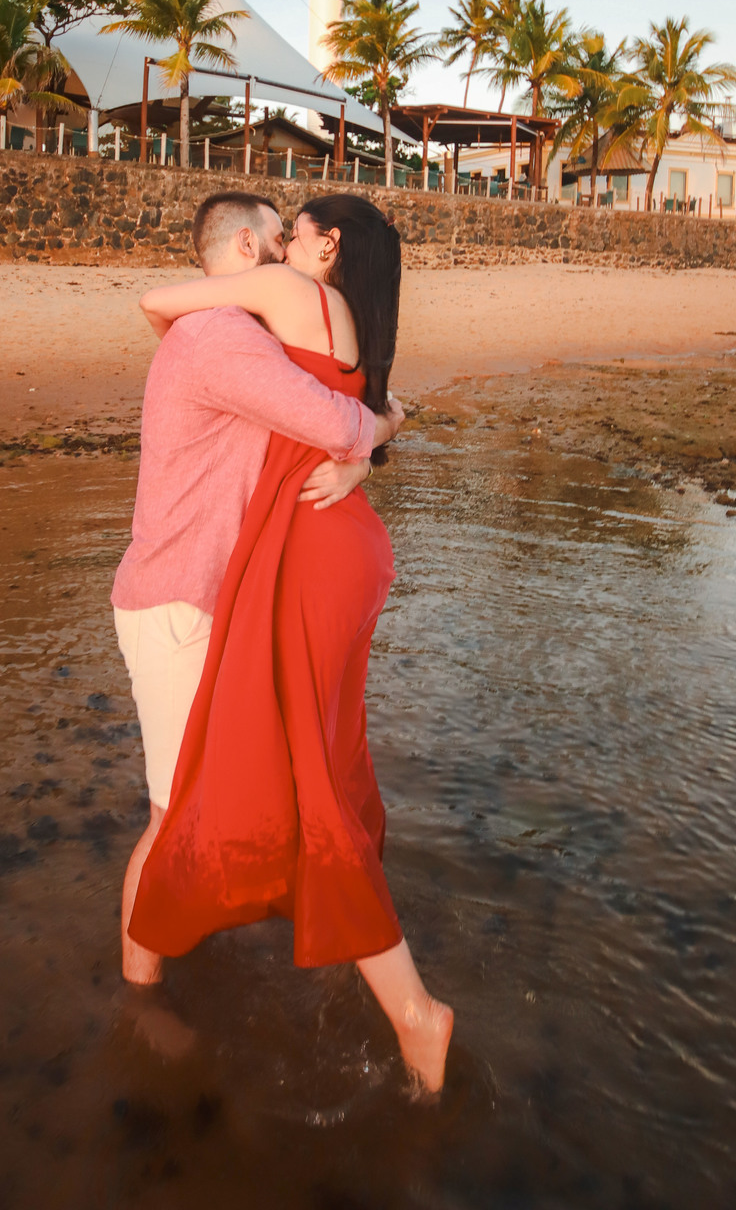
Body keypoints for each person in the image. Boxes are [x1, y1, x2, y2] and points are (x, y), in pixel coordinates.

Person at [129, 195, 455, 1095]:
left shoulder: (270, 298)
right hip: (333, 541)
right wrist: (374, 440)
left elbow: (156, 303)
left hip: (303, 552)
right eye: (273, 238)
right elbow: (359, 413)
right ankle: (303, 921)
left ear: (322, 244)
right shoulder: (334, 320)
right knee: (309, 761)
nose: (283, 246)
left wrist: (363, 439)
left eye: (293, 232)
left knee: (288, 776)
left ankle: (408, 1008)